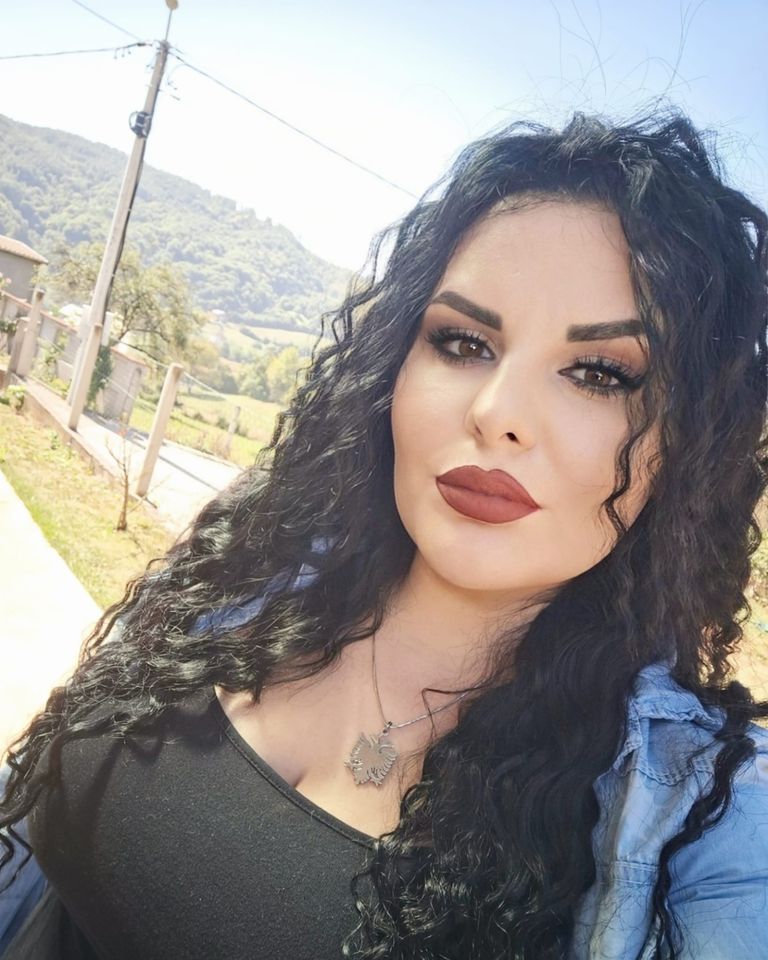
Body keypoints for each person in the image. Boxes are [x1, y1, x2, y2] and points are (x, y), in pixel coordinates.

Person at [1, 107, 767, 960]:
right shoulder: (253, 561)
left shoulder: (708, 828)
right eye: (464, 342)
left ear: (689, 450)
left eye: (599, 373)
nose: (497, 412)